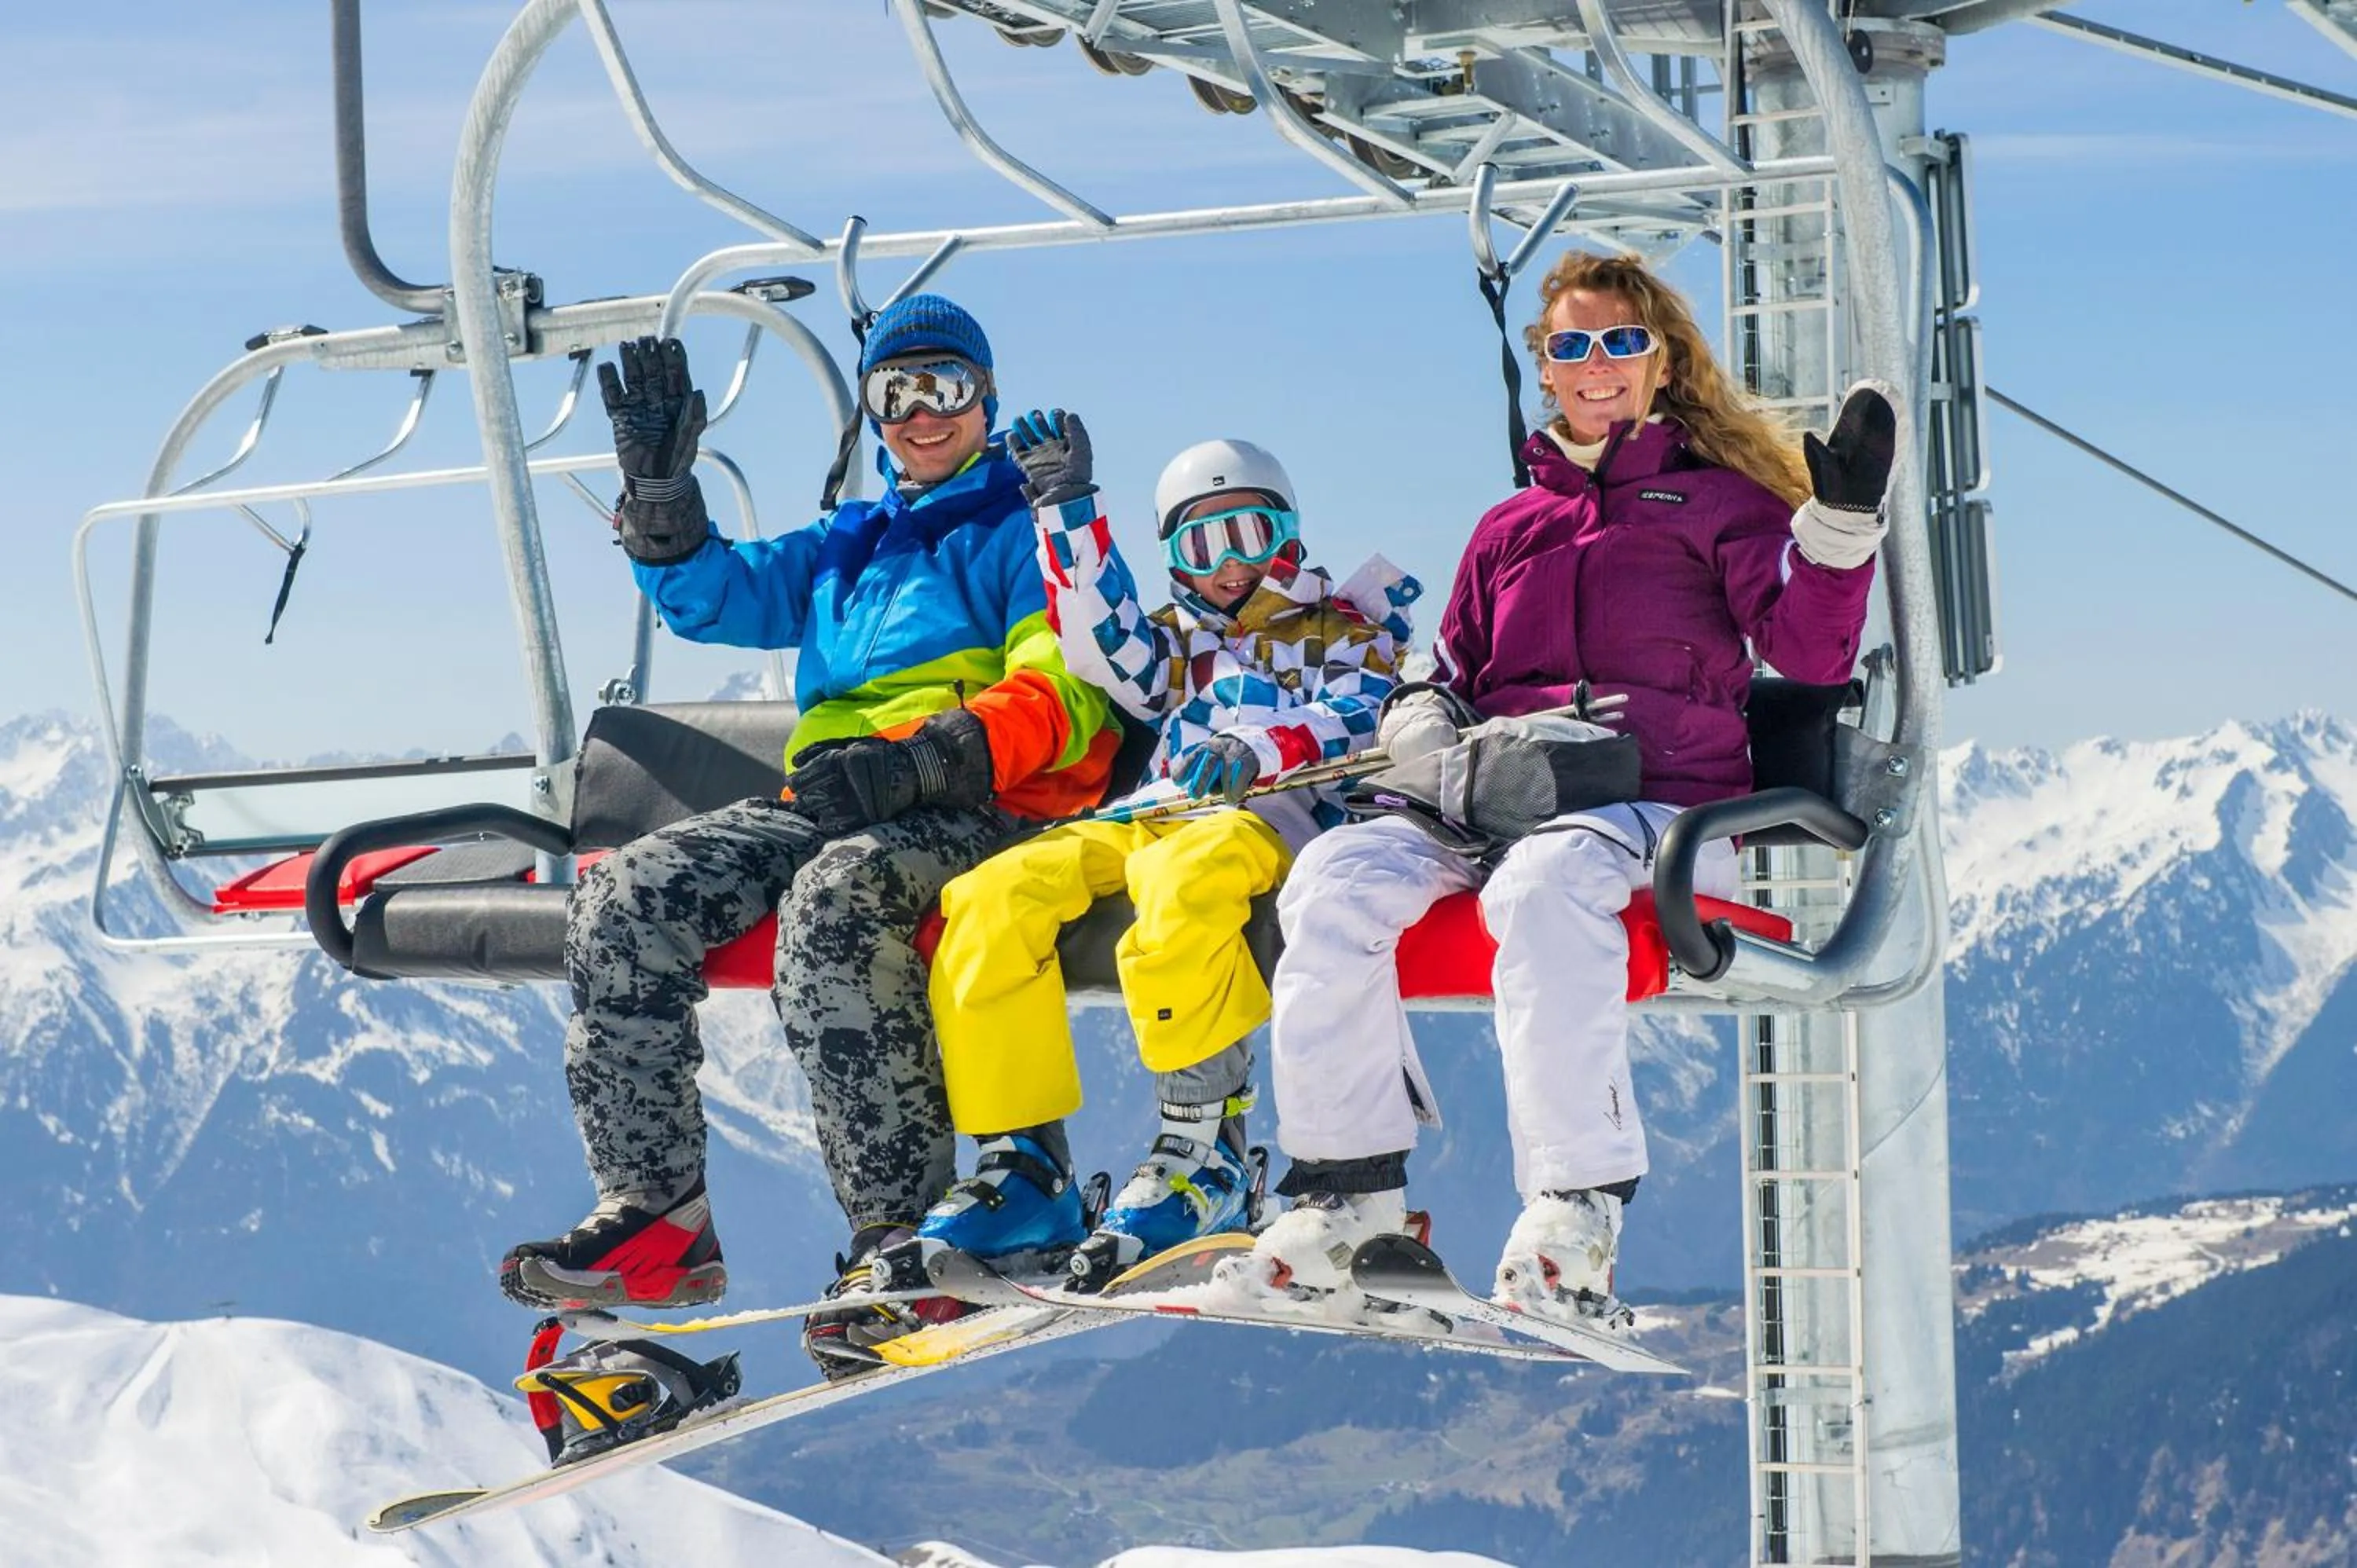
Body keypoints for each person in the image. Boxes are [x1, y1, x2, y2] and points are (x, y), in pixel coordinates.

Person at [1241, 250, 1893, 1326]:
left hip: (1657, 799)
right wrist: (1418, 722)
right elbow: (1448, 670)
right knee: (1332, 877)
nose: (1596, 365)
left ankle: (1572, 1218)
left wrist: (1837, 526)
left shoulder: (1717, 505)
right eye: (1571, 346)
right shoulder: (1510, 528)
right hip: (1496, 791)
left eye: (1620, 342)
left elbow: (1811, 654)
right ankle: (1346, 1203)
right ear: (1545, 368)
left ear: (1663, 361)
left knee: (1538, 891)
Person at [497, 297, 1120, 1379]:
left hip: (972, 799)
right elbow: (712, 598)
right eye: (898, 393)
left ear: (986, 399)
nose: (924, 414)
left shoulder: (1020, 530)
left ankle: (901, 1242)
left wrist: (930, 755)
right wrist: (661, 499)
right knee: (623, 898)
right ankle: (656, 1214)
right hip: (832, 792)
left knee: (835, 902)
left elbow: (1067, 690)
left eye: (946, 389)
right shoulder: (849, 544)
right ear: (874, 413)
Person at [915, 412, 1419, 1288]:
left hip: (1271, 815)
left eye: (1247, 535)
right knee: (994, 895)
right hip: (1158, 807)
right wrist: (1066, 509)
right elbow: (1103, 645)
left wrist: (1263, 749)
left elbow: (1362, 720)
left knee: (1180, 883)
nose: (1227, 564)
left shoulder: (1348, 629)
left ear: (1287, 535)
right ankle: (1024, 1164)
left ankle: (1206, 1152)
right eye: (1199, 547)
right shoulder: (1178, 645)